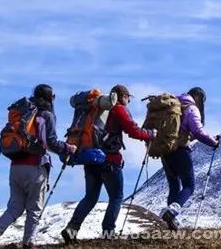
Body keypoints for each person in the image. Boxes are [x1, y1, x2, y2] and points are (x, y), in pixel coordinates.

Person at [0, 84, 77, 249]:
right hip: (35, 166)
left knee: (15, 207)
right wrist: (69, 148)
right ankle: (29, 243)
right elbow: (52, 143)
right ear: (50, 98)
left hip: (15, 165)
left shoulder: (23, 113)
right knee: (34, 208)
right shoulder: (46, 115)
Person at [61, 84, 156, 243]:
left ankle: (72, 228)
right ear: (123, 96)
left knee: (90, 197)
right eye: (128, 98)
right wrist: (149, 134)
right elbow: (132, 130)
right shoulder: (118, 109)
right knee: (116, 196)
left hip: (91, 158)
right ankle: (108, 232)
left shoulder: (96, 110)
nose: (128, 102)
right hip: (109, 160)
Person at [160, 86, 220, 230]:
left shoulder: (174, 105)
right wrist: (214, 142)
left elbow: (183, 131)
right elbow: (197, 131)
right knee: (189, 186)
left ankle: (171, 223)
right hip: (180, 151)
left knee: (174, 186)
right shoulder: (191, 108)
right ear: (198, 97)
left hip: (166, 151)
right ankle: (173, 210)